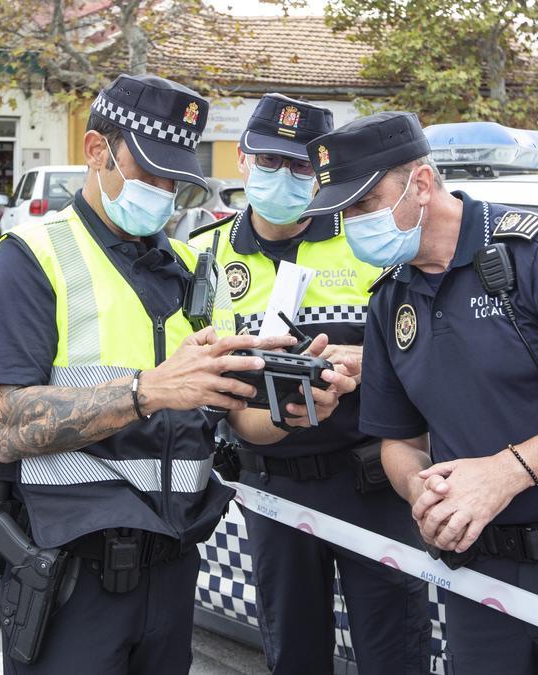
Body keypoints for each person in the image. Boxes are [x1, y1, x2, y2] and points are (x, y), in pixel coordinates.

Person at [0, 74, 357, 675]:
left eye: (176, 180)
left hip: (173, 566)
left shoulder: (192, 267)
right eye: (150, 174)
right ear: (97, 151)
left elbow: (234, 414)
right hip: (71, 574)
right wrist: (147, 391)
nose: (165, 192)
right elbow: (9, 426)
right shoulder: (29, 258)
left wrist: (292, 414)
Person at [301, 112, 538, 674]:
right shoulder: (390, 300)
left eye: (364, 203)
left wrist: (506, 472)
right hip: (480, 572)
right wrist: (421, 494)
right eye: (343, 210)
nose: (352, 222)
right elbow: (398, 441)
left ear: (422, 185)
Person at [188, 95, 429, 674]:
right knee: (294, 657)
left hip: (373, 482)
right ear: (242, 159)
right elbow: (205, 389)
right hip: (274, 489)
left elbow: (433, 348)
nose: (283, 177)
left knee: (395, 656)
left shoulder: (370, 237)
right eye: (269, 161)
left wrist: (373, 363)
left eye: (300, 166)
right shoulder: (204, 256)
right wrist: (276, 418)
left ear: (320, 172)